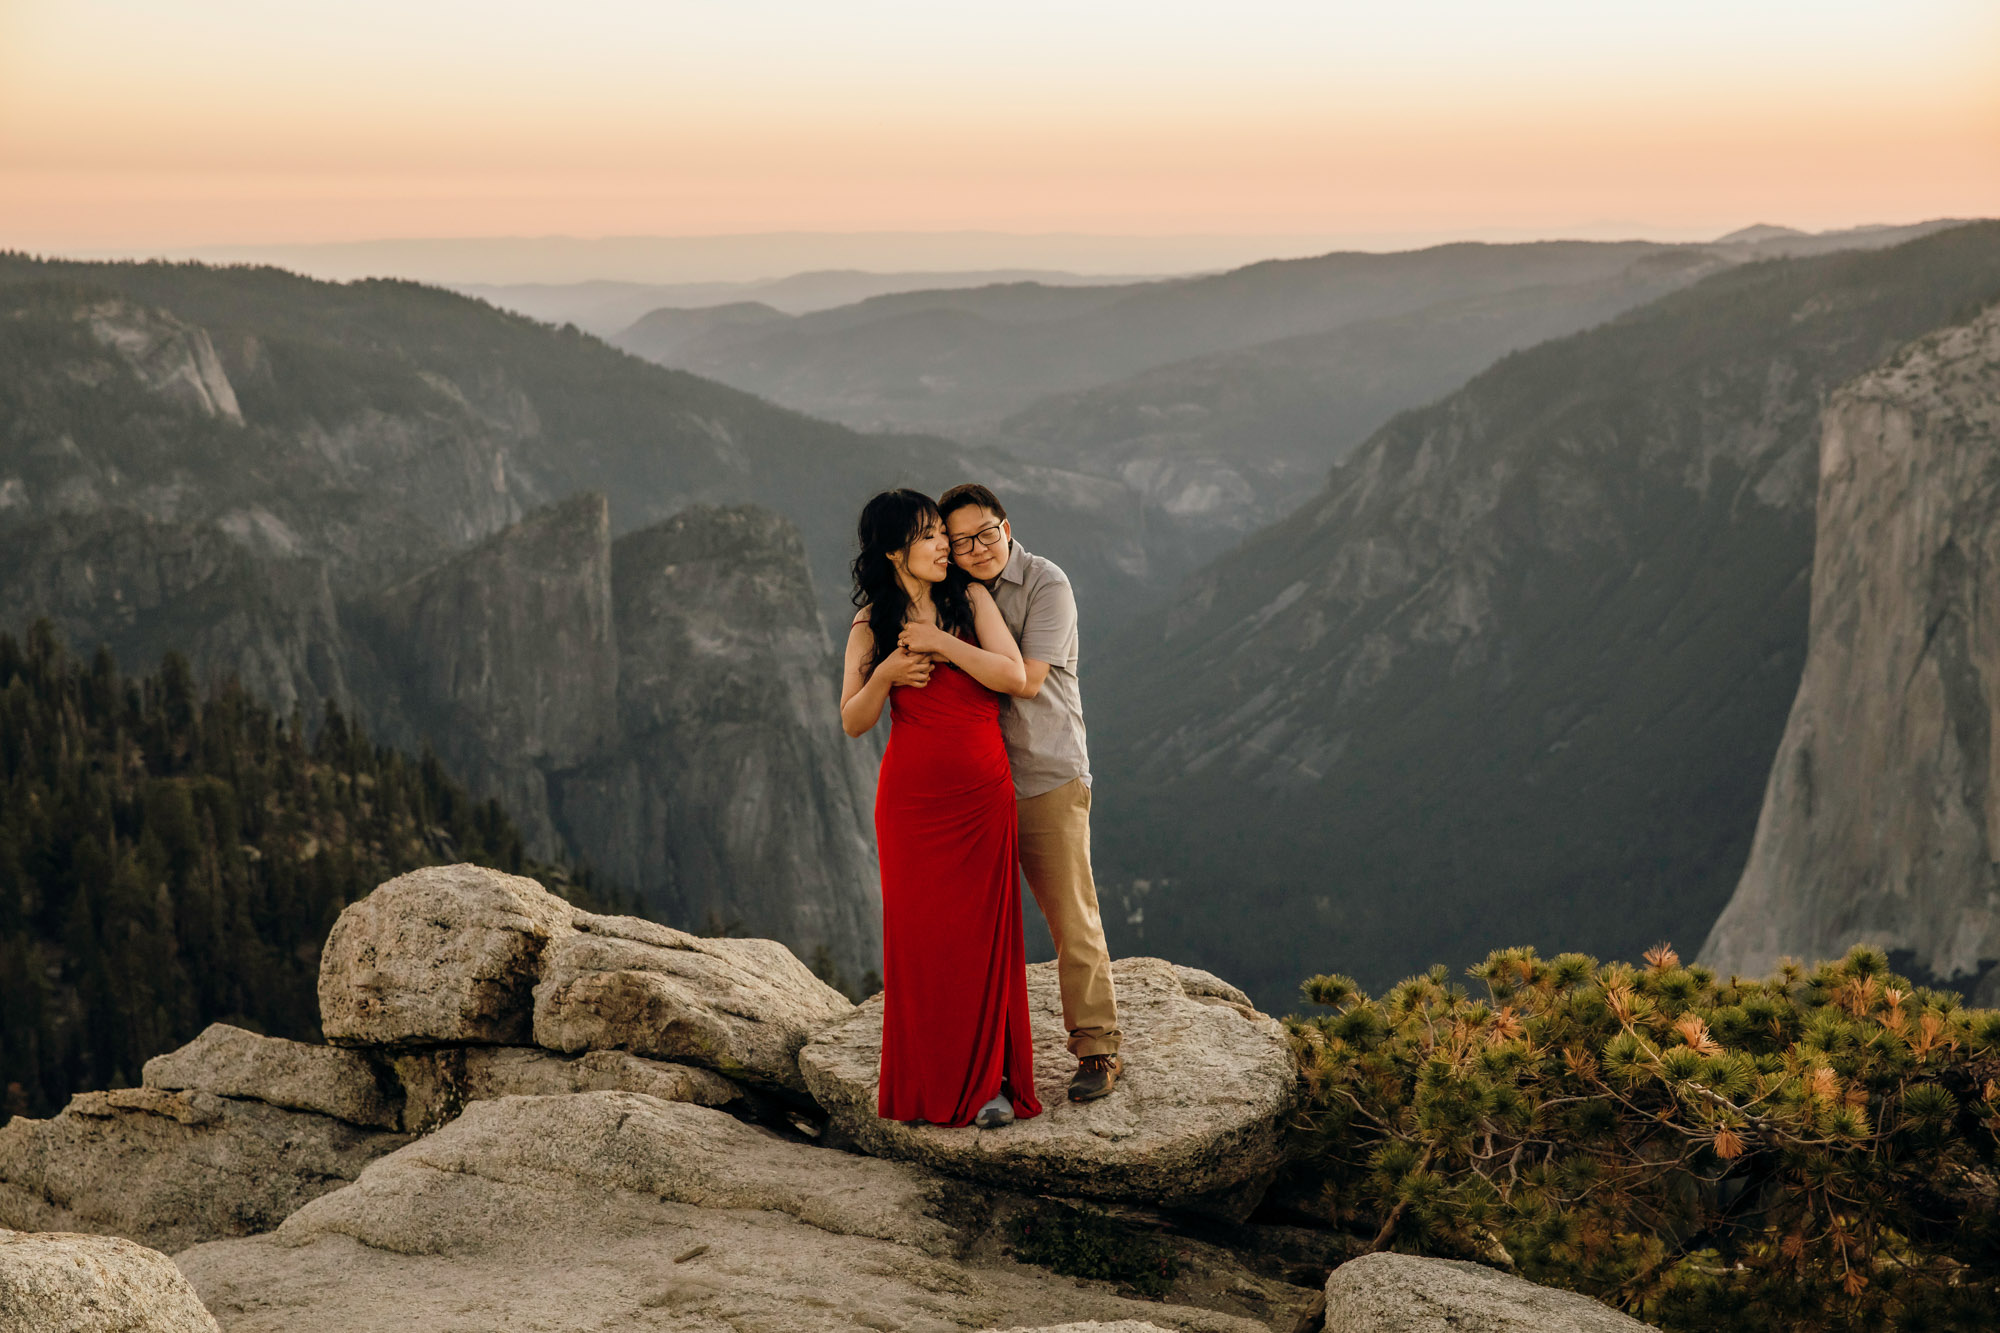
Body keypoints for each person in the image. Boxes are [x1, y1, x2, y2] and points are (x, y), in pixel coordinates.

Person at [839, 488, 1044, 1130]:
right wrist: (886, 675)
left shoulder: (969, 598)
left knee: (983, 938)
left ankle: (992, 1085)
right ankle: (927, 1082)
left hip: (981, 793)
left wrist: (938, 641)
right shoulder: (871, 624)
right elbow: (852, 720)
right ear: (896, 549)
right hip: (912, 802)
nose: (944, 546)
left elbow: (1012, 676)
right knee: (922, 941)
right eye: (929, 535)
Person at [937, 483, 1123, 1102]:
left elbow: (1027, 678)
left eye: (986, 532)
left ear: (1007, 526)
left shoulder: (1047, 584)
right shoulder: (949, 592)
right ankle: (978, 1057)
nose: (977, 547)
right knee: (975, 928)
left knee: (1071, 915)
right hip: (974, 784)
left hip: (1045, 775)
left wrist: (942, 644)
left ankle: (1097, 1048)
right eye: (961, 540)